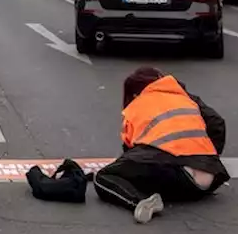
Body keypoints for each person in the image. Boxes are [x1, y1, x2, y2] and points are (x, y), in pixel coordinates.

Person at [93, 67, 228, 223]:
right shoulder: (185, 97)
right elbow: (216, 123)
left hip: (176, 175)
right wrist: (208, 158)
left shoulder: (137, 105)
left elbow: (131, 152)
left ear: (136, 92)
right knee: (155, 171)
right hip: (209, 179)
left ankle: (138, 203)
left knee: (103, 177)